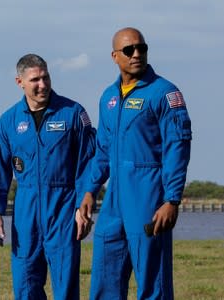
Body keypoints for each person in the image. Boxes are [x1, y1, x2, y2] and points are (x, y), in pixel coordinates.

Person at [79, 27, 192, 299]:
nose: (137, 54)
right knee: (106, 275)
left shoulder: (164, 93)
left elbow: (177, 146)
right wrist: (89, 190)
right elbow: (103, 150)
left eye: (142, 48)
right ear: (115, 56)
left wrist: (171, 199)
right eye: (129, 50)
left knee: (152, 281)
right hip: (114, 201)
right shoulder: (109, 97)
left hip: (148, 197)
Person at [0, 53, 96, 299]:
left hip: (64, 207)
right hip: (26, 209)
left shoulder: (73, 113)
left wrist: (83, 206)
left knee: (65, 282)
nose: (43, 85)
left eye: (46, 77)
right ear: (20, 82)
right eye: (35, 79)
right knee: (26, 282)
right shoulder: (8, 121)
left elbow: (87, 163)